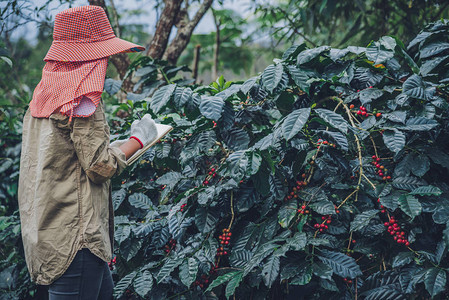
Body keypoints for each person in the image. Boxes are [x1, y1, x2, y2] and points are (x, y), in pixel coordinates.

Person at [17, 5, 156, 299]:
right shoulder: (82, 99)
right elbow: (99, 165)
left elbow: (67, 158)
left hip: (47, 235)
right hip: (75, 240)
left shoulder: (44, 94)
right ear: (90, 58)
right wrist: (140, 139)